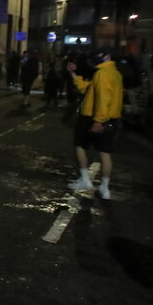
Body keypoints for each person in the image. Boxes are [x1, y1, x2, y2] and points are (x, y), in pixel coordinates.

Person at [66, 49, 124, 199]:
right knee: (105, 154)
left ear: (107, 56)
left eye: (99, 55)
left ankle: (85, 180)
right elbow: (87, 88)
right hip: (111, 119)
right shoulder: (115, 73)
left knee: (80, 146)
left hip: (93, 116)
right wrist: (73, 74)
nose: (95, 58)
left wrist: (98, 120)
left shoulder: (102, 73)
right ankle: (105, 189)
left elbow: (103, 99)